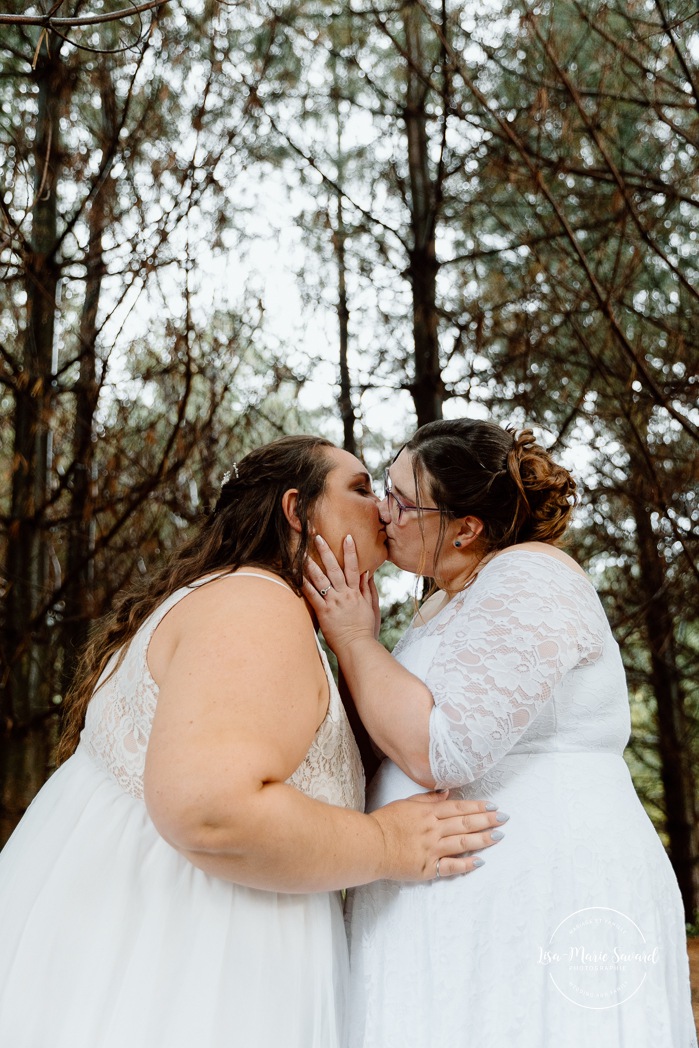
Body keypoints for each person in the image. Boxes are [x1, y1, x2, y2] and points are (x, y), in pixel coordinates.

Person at [0, 435, 506, 1048]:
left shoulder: (255, 603)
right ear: (296, 511)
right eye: (361, 488)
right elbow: (211, 808)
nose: (382, 507)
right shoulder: (254, 603)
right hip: (186, 962)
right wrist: (386, 843)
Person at [304, 419, 697, 1047]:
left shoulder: (531, 575)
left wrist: (353, 639)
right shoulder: (442, 601)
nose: (385, 510)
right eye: (387, 487)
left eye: (405, 501)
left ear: (466, 528)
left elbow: (444, 748)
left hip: (544, 893)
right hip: (451, 911)